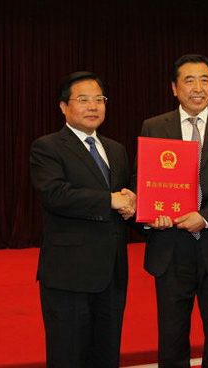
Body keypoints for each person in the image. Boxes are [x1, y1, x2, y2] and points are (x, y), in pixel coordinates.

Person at [137, 54, 208, 368]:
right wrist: (152, 214)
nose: (198, 88)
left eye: (205, 80)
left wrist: (205, 217)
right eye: (189, 80)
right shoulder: (154, 126)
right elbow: (144, 178)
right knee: (172, 333)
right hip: (171, 246)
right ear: (175, 88)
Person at [30, 71, 135, 368]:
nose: (93, 106)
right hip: (69, 275)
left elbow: (123, 199)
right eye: (84, 100)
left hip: (112, 273)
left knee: (106, 355)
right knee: (68, 356)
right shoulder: (47, 147)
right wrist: (110, 200)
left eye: (99, 99)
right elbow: (55, 194)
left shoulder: (116, 149)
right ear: (64, 107)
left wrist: (134, 206)